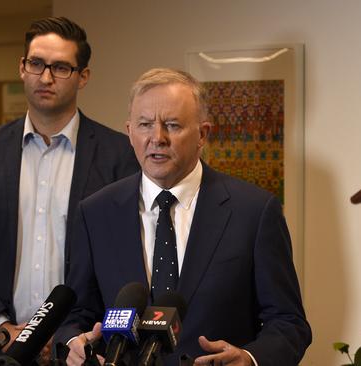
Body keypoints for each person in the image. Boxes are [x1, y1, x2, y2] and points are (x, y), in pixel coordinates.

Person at [55, 68, 311, 366]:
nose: (157, 138)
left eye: (173, 125)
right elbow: (75, 315)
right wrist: (75, 343)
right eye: (145, 124)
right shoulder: (95, 212)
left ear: (203, 134)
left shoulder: (254, 211)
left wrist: (250, 359)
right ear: (129, 132)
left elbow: (289, 323)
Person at [0, 17, 139, 365]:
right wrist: (1, 326)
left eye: (61, 67)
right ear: (22, 68)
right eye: (37, 64)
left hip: (80, 349)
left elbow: (125, 261)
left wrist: (72, 333)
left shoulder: (119, 155)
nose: (46, 77)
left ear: (83, 76)